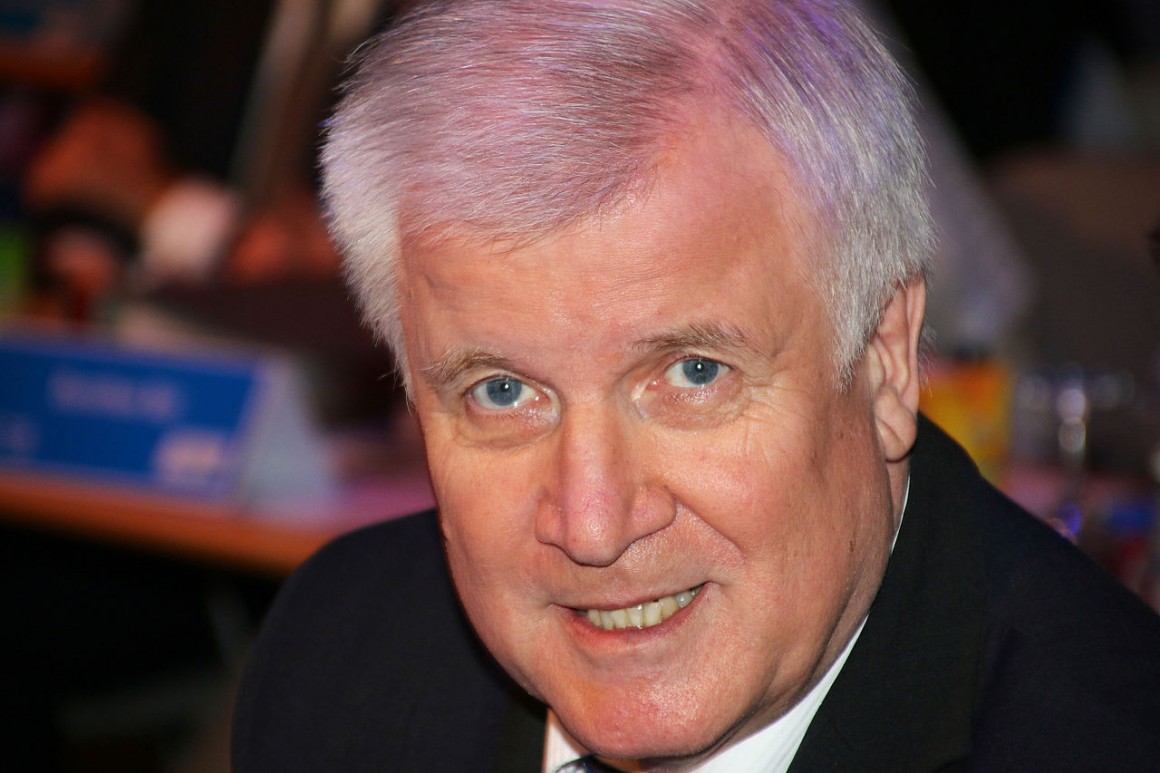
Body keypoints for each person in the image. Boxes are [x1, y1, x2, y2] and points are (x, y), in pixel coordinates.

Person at [232, 1, 1160, 770]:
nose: (593, 525)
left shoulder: (1105, 734)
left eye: (693, 373)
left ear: (885, 360)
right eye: (502, 391)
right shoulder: (336, 660)